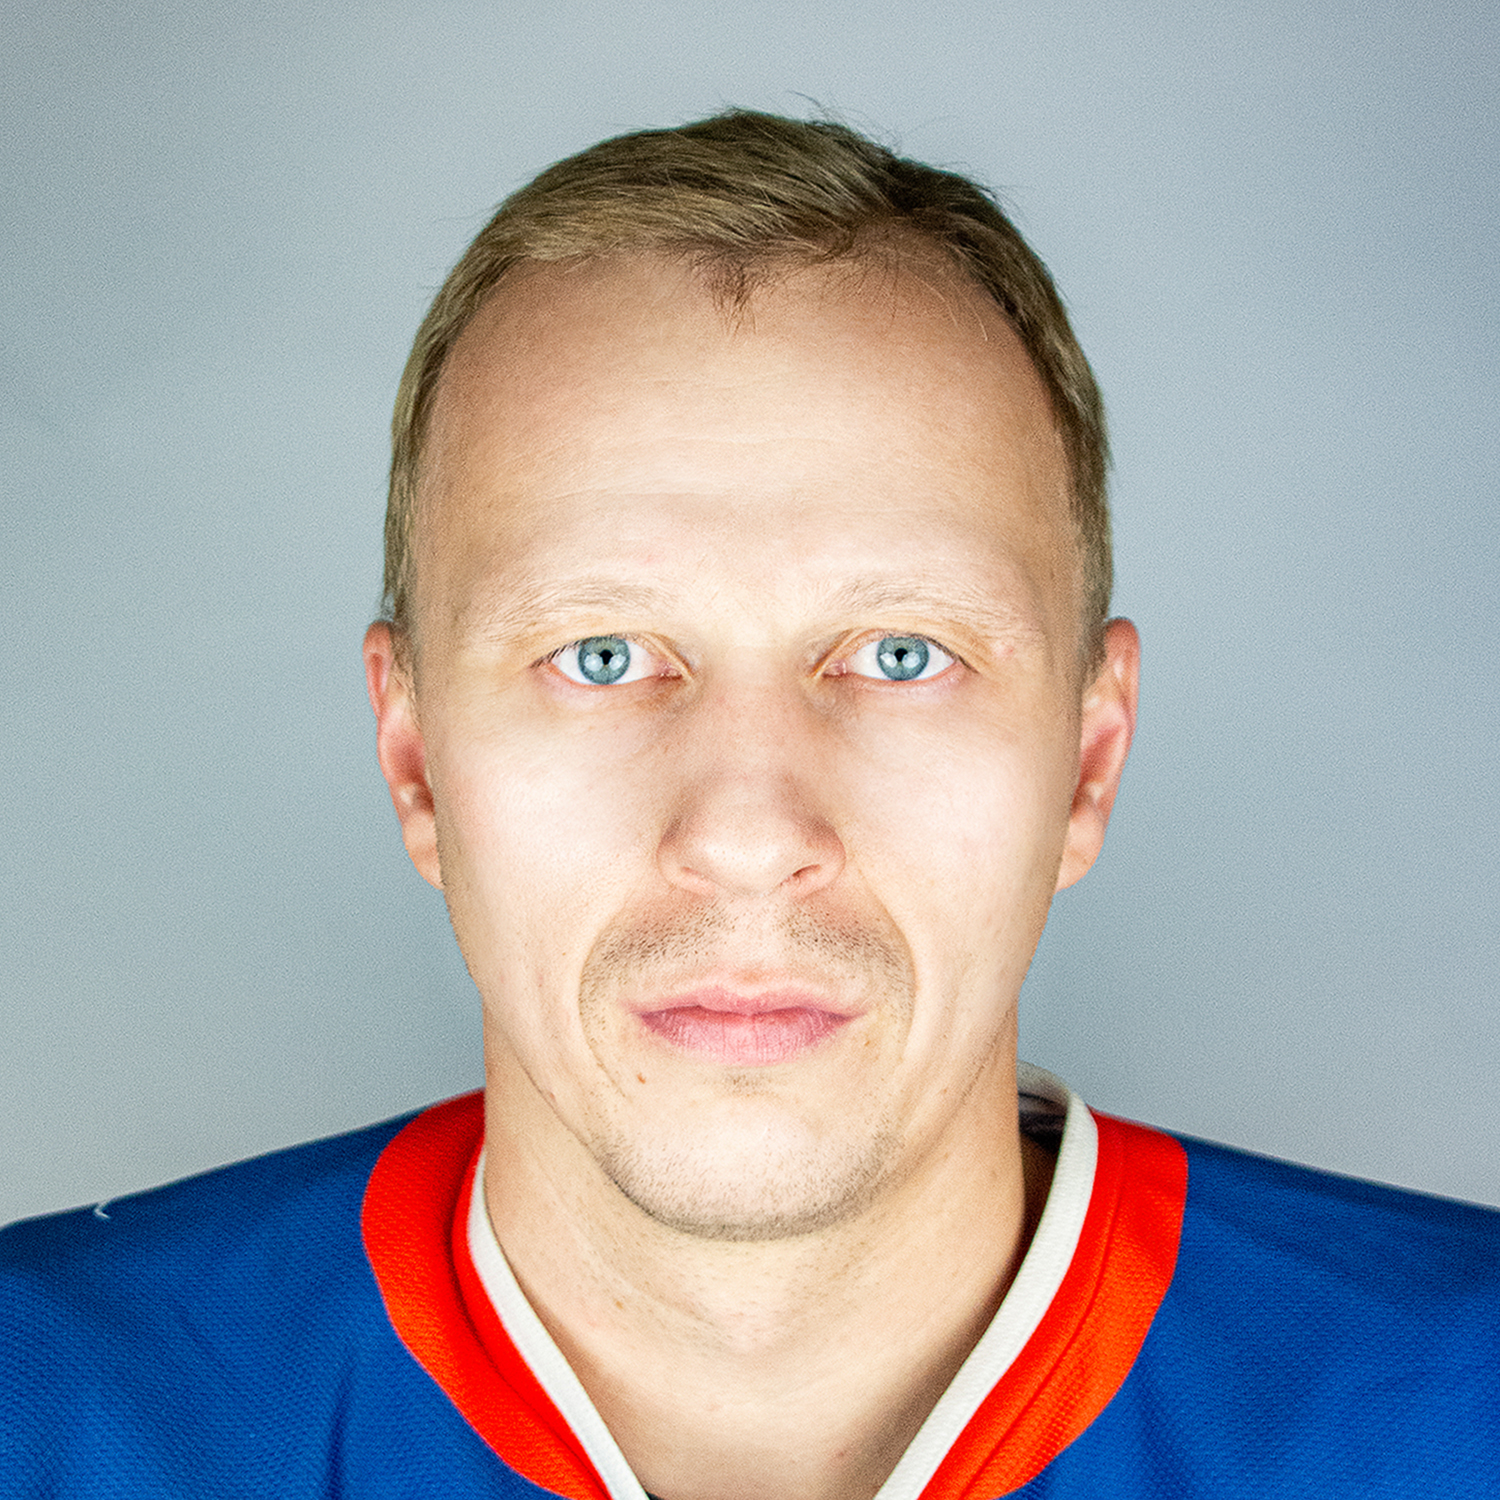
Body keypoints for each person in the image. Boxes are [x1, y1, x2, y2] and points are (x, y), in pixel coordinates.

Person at [2, 110, 1496, 1500]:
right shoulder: (45, 1410)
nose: (746, 835)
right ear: (417, 764)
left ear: (1087, 764)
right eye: (601, 655)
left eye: (902, 654)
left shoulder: (1461, 1406)